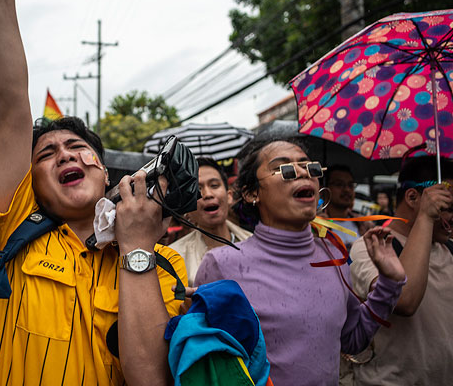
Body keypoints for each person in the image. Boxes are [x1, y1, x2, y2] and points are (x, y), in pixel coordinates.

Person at [0, 0, 186, 384]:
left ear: (105, 172)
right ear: (29, 184)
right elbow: (8, 109)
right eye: (46, 153)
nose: (64, 155)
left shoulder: (165, 262)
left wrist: (137, 247)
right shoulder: (8, 233)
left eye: (78, 147)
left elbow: (151, 378)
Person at [194, 139, 406, 386]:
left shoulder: (334, 257)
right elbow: (206, 365)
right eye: (285, 169)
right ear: (252, 193)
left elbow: (352, 340)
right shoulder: (221, 265)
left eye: (311, 168)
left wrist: (390, 283)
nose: (304, 173)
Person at [348, 157, 453, 385]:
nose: (451, 217)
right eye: (447, 208)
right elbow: (405, 301)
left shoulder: (448, 250)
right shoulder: (372, 247)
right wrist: (425, 216)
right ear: (413, 198)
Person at [170, 157, 251, 285]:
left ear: (229, 196)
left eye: (214, 185)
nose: (207, 194)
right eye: (197, 189)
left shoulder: (254, 242)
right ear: (187, 206)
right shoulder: (175, 258)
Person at [324, 165, 372, 249]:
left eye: (351, 185)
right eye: (339, 184)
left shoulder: (365, 225)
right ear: (325, 189)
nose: (347, 190)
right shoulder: (316, 226)